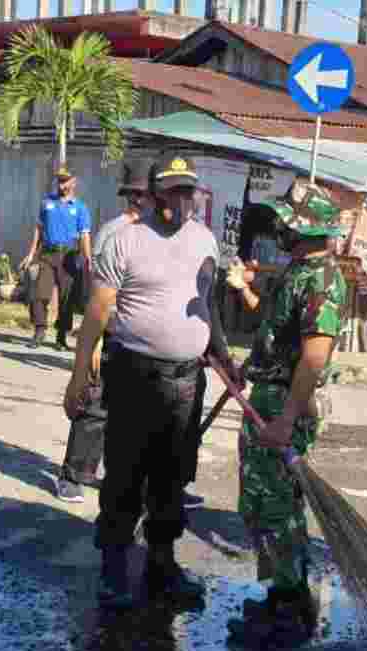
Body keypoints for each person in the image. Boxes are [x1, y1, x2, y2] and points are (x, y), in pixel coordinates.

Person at [64, 152, 238, 611]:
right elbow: (97, 311)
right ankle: (114, 566)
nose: (182, 202)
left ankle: (162, 565)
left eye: (188, 193)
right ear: (155, 195)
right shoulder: (126, 240)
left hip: (187, 381)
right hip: (134, 377)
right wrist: (79, 376)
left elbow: (208, 304)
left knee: (171, 477)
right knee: (125, 473)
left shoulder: (205, 241)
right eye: (173, 193)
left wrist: (223, 354)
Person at [222, 178, 347, 650]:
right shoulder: (298, 270)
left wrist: (286, 419)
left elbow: (313, 358)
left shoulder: (322, 280)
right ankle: (280, 595)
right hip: (268, 396)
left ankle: (290, 613)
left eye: (288, 223)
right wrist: (247, 366)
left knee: (277, 507)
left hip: (284, 404)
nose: (280, 229)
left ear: (311, 228)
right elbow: (277, 332)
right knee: (263, 504)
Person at [56, 158, 153, 503]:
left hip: (144, 341)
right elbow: (97, 291)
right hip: (111, 333)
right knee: (96, 406)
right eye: (143, 194)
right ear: (134, 197)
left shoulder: (160, 234)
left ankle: (137, 481)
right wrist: (94, 340)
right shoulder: (115, 232)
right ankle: (73, 474)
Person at [19, 166, 92, 350]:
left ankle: (61, 337)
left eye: (65, 181)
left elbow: (84, 235)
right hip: (47, 254)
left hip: (69, 256)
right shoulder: (46, 203)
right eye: (59, 181)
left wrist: (88, 258)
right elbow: (38, 229)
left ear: (74, 182)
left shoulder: (80, 207)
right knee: (39, 293)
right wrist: (31, 254)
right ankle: (39, 330)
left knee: (67, 299)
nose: (61, 185)